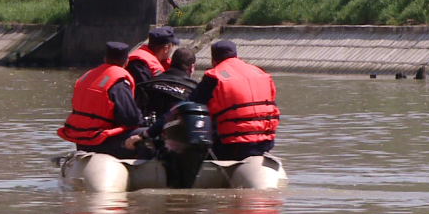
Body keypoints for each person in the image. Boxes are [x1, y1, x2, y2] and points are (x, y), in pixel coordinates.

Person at [126, 40, 279, 161]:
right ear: (236, 56)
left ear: (213, 60)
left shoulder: (215, 76)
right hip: (265, 143)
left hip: (234, 147)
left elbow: (181, 109)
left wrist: (146, 134)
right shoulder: (260, 73)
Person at [57, 41, 145, 159]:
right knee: (150, 136)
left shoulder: (87, 77)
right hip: (101, 142)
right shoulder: (118, 82)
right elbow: (131, 119)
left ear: (105, 59)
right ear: (126, 62)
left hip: (81, 142)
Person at [135, 47, 198, 119]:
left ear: (171, 63)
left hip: (150, 128)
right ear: (191, 68)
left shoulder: (148, 85)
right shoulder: (194, 90)